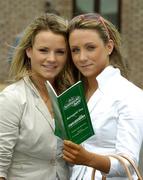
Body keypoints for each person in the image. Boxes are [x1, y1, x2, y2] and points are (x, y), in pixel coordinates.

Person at [63, 13, 143, 179]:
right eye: (75, 50)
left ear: (109, 47)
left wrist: (88, 159)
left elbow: (129, 163)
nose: (82, 58)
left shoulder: (129, 95)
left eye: (90, 47)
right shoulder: (75, 95)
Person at [0, 13, 72, 180]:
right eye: (43, 50)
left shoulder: (69, 96)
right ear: (29, 51)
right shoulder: (12, 99)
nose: (52, 59)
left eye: (60, 52)